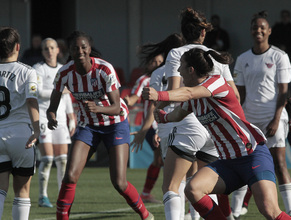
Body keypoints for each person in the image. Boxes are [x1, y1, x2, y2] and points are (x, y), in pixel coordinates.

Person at [142, 47, 291, 220]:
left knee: (269, 210)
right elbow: (177, 114)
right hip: (228, 162)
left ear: (191, 70)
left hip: (252, 155)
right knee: (193, 189)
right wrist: (163, 117)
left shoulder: (216, 82)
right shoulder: (194, 99)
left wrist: (159, 95)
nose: (178, 71)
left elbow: (188, 92)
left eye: (181, 66)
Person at [46, 30, 153, 220]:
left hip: (115, 124)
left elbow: (117, 108)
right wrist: (51, 116)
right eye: (75, 48)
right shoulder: (64, 73)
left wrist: (97, 108)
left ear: (89, 49)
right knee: (70, 176)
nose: (80, 51)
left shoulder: (104, 70)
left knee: (119, 182)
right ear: (69, 51)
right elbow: (52, 107)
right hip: (88, 126)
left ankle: (145, 215)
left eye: (83, 47)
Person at [152, 7, 240, 220]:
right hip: (215, 129)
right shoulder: (214, 56)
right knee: (204, 187)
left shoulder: (176, 53)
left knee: (172, 185)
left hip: (189, 123)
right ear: (203, 33)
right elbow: (234, 94)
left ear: (183, 34)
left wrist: (159, 109)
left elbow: (175, 92)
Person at [232, 10, 291, 220]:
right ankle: (234, 212)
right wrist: (238, 119)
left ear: (269, 31)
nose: (258, 30)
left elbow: (284, 91)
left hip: (273, 117)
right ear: (251, 31)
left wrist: (277, 119)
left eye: (262, 27)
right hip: (249, 119)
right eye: (254, 27)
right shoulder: (242, 59)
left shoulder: (280, 56)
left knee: (279, 164)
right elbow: (239, 94)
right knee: (244, 164)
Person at [129, 33, 185, 205]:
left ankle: (149, 193)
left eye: (158, 61)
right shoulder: (146, 79)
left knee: (169, 165)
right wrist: (124, 102)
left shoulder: (181, 71)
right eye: (153, 61)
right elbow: (141, 101)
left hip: (170, 123)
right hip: (158, 125)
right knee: (174, 167)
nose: (156, 64)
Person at [0, 26, 40, 220]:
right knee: (22, 191)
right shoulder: (28, 71)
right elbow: (32, 101)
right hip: (20, 136)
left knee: (0, 191)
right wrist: (37, 130)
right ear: (17, 46)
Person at [33, 38, 76, 208]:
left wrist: (71, 116)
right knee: (48, 158)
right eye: (45, 48)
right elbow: (37, 92)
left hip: (60, 120)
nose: (49, 51)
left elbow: (66, 98)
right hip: (44, 116)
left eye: (52, 48)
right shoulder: (38, 69)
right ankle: (42, 196)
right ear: (42, 52)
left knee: (63, 160)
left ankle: (61, 195)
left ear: (58, 50)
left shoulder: (63, 69)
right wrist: (58, 91)